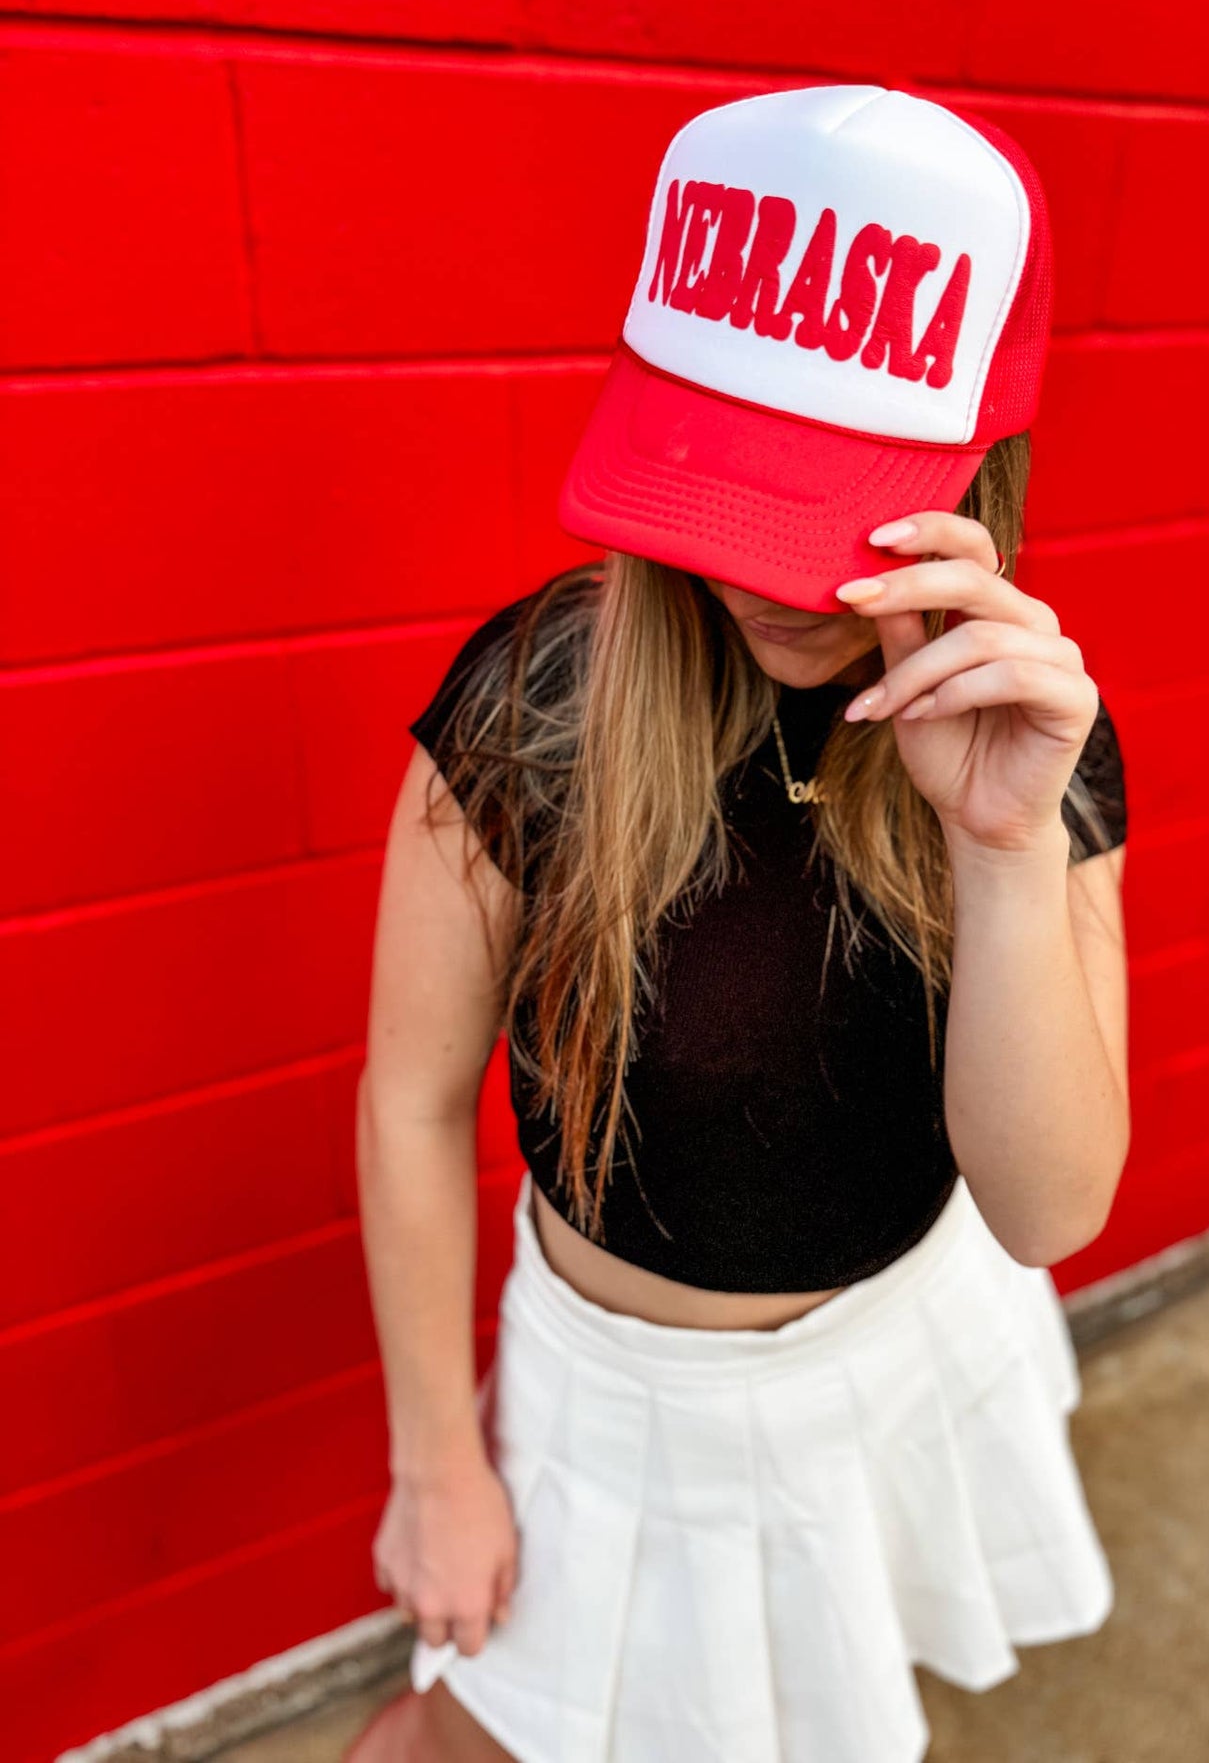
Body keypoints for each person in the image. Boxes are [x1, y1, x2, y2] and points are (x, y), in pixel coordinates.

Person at [347, 85, 1130, 1763]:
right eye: (727, 478)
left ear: (978, 464)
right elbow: (412, 1103)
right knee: (450, 1742)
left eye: (836, 501)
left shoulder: (1026, 733)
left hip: (908, 1339)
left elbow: (1047, 1206)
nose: (771, 575)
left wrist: (998, 848)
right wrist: (438, 1460)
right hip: (626, 1411)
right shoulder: (535, 710)